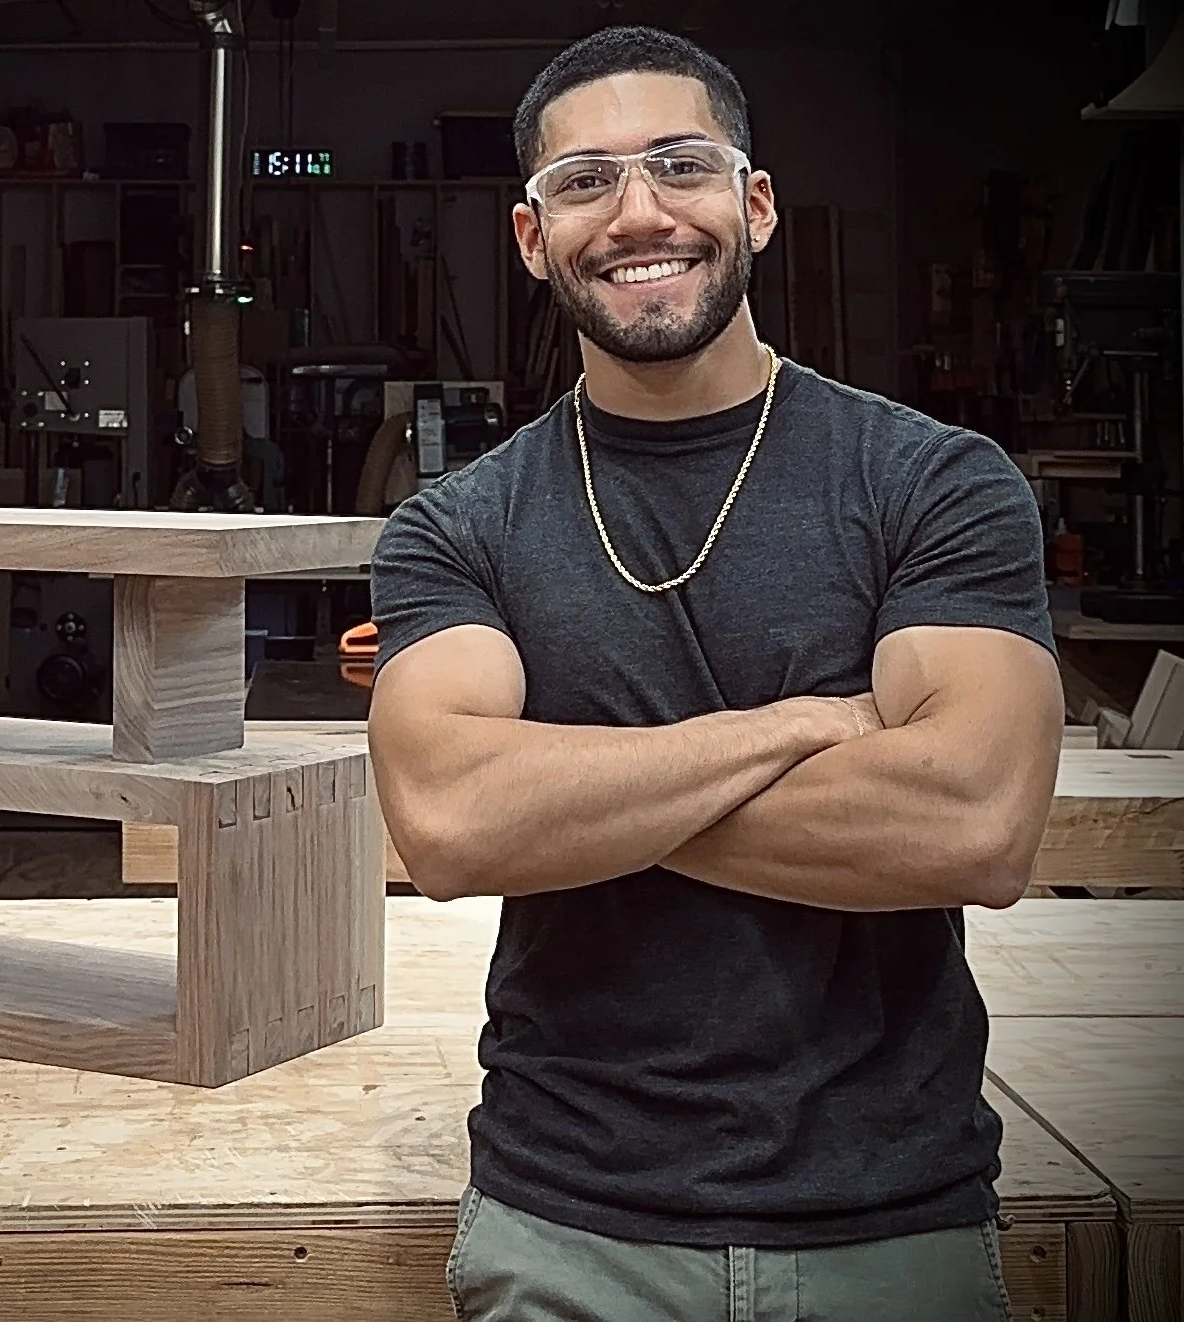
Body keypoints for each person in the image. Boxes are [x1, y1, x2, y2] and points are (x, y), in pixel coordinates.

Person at [365, 24, 1064, 1322]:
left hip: (892, 1227)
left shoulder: (931, 481)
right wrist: (816, 723)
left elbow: (976, 821)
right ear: (532, 238)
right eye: (584, 182)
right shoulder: (456, 527)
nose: (637, 213)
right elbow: (457, 824)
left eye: (680, 166)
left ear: (753, 204)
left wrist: (571, 792)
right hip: (569, 1229)